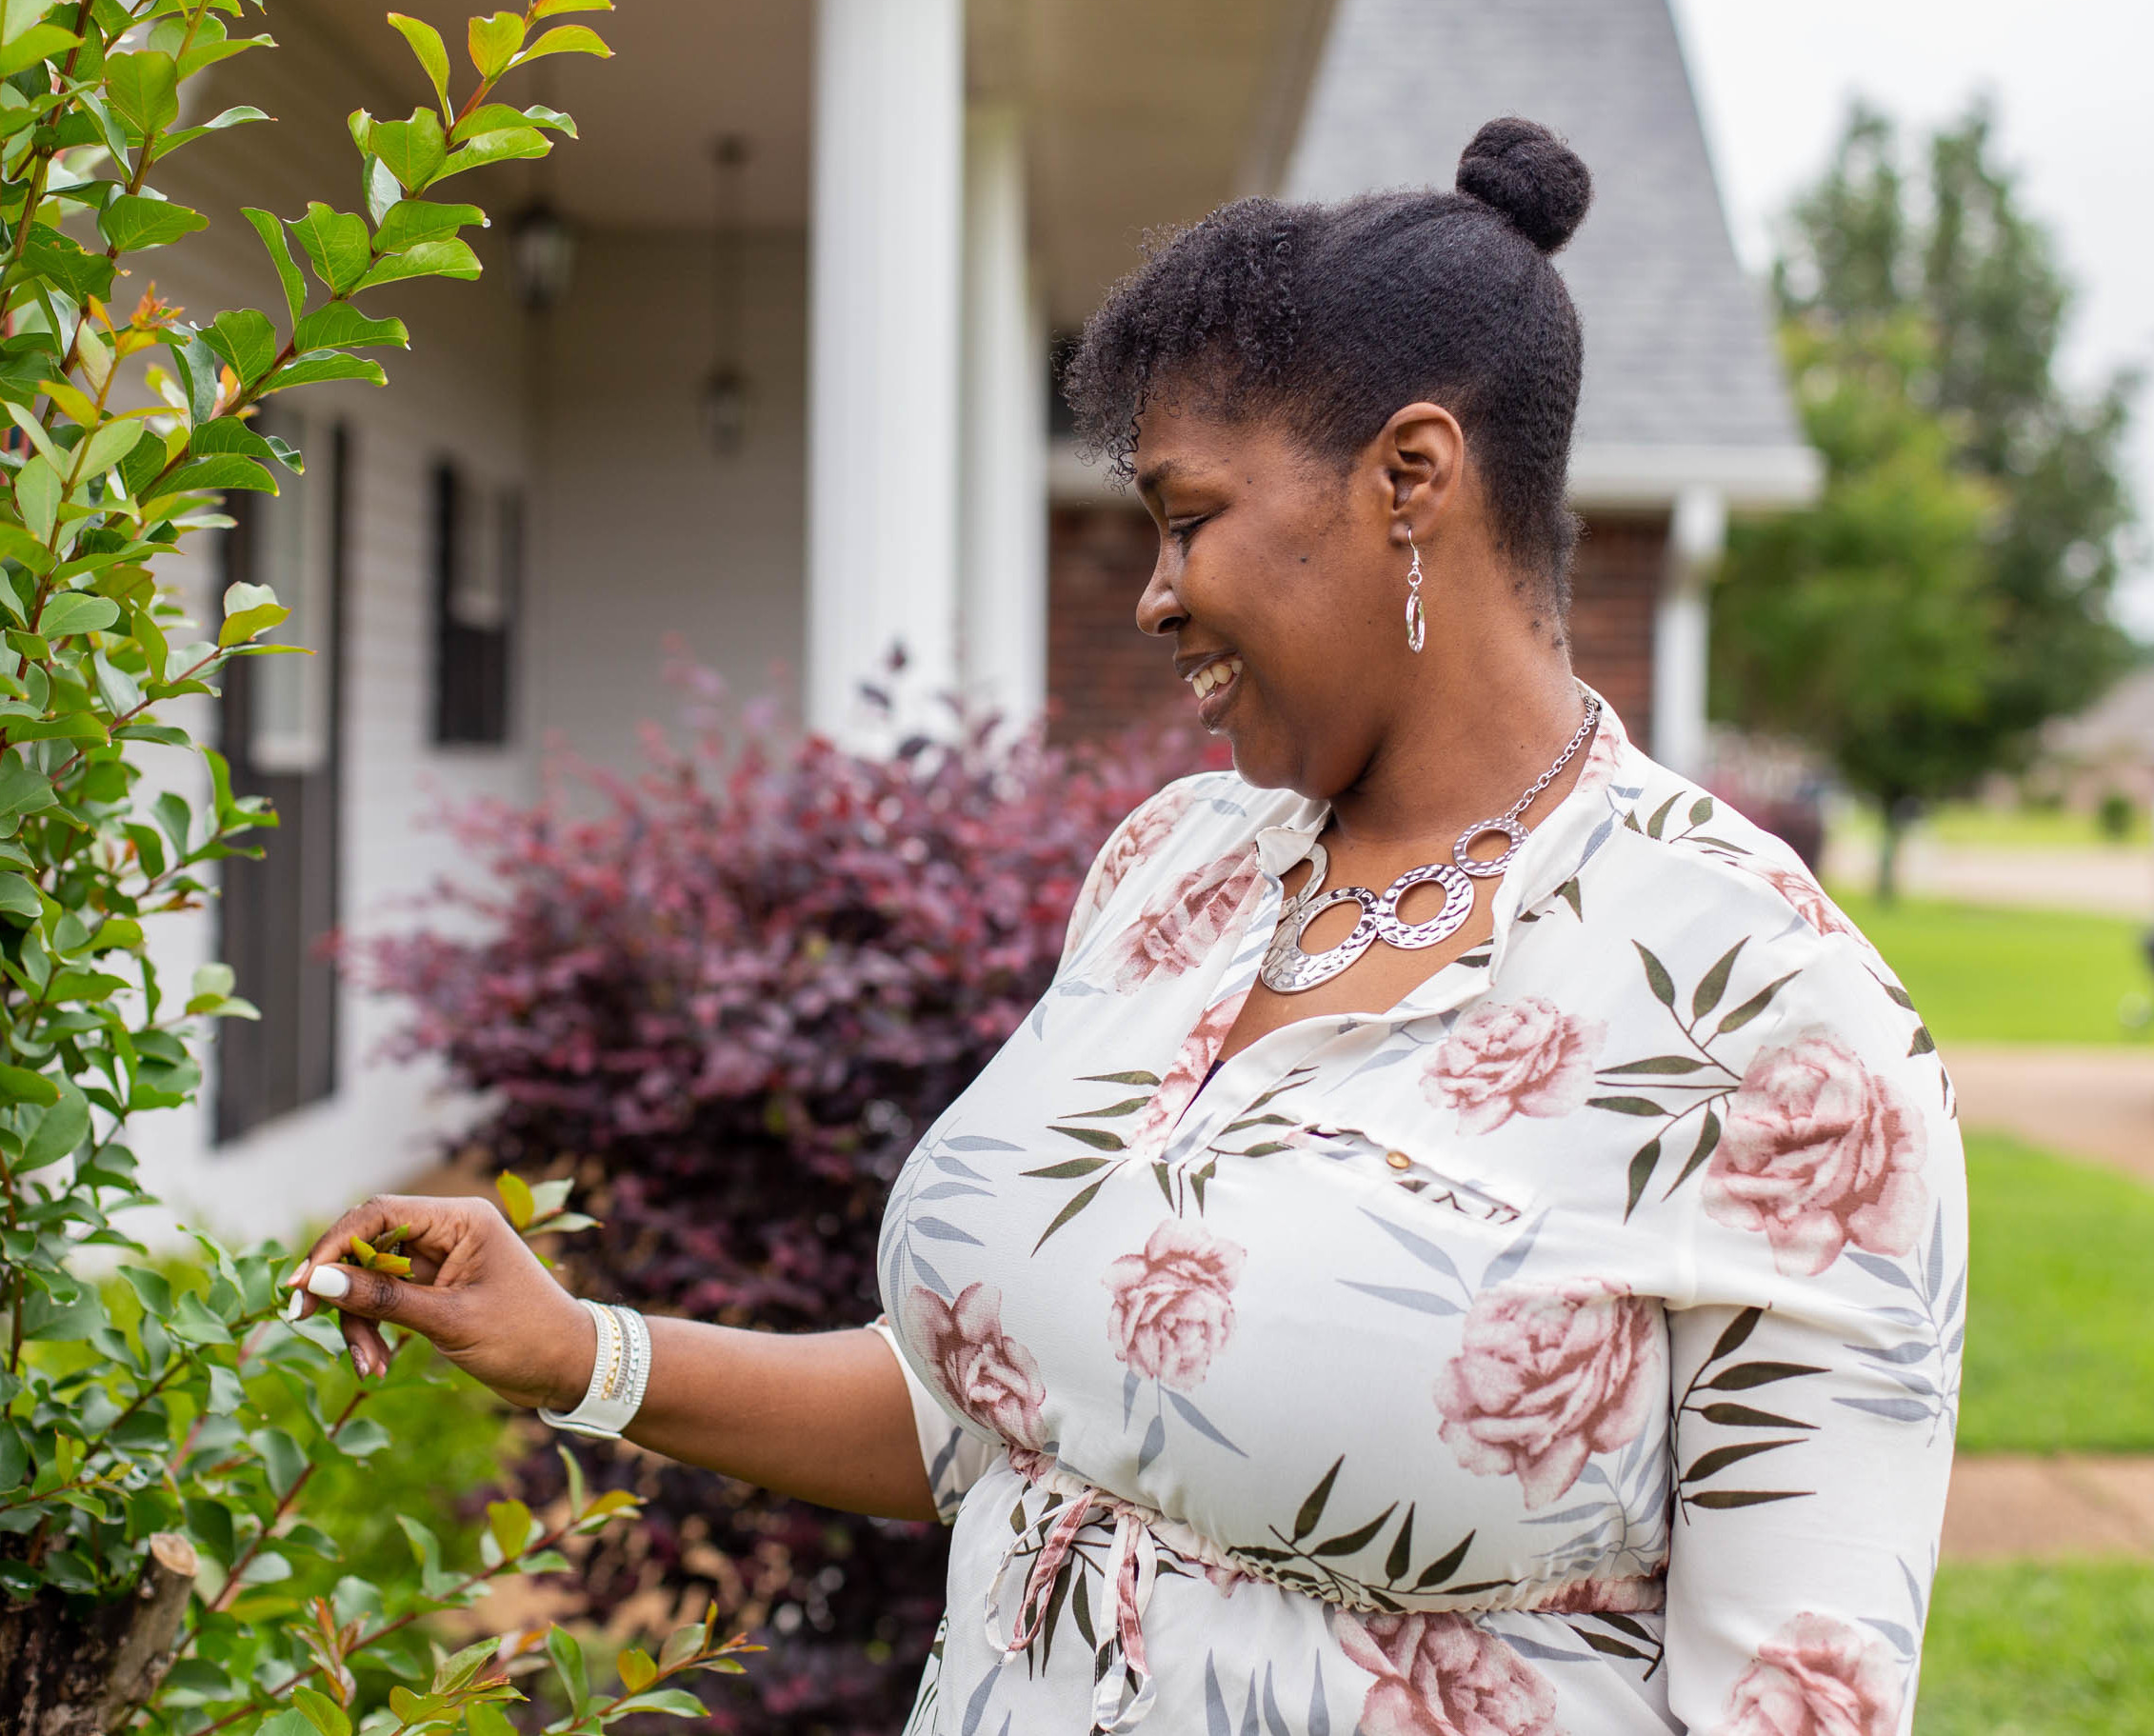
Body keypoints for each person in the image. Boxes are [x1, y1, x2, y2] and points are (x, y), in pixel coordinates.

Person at [288, 118, 1963, 1736]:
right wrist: (580, 1347)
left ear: (1412, 478)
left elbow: (1789, 1698)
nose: (1152, 590)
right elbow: (998, 1414)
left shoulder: (1777, 1022)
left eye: (1187, 515)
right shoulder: (1177, 869)